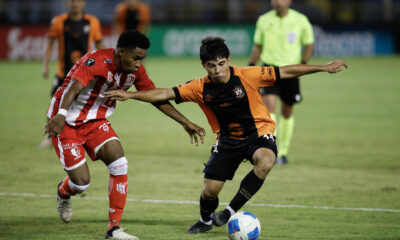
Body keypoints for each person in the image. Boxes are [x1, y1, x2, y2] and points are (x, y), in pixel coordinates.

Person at [104, 37, 348, 234]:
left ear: (228, 60)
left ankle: (230, 212)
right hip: (227, 140)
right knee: (209, 192)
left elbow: (285, 71)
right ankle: (206, 220)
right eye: (211, 65)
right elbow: (165, 92)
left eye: (221, 63)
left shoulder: (247, 75)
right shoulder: (199, 87)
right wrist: (131, 95)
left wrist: (323, 67)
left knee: (266, 161)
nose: (218, 70)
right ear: (204, 66)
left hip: (259, 134)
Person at [43, 30, 205, 240]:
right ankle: (64, 192)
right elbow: (74, 87)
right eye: (136, 58)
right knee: (81, 183)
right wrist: (61, 115)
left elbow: (155, 97)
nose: (139, 64)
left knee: (120, 164)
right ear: (120, 52)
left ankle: (113, 229)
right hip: (66, 122)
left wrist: (185, 122)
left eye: (141, 59)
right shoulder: (97, 61)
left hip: (96, 122)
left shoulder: (135, 72)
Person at [248, 0, 314, 164]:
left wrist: (303, 64)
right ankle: (271, 147)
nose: (278, 2)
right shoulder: (264, 20)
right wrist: (251, 66)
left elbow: (309, 44)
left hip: (291, 70)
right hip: (269, 70)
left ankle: (283, 152)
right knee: (269, 106)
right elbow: (258, 45)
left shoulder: (301, 20)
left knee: (287, 111)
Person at [39, 0, 105, 149]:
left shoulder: (92, 22)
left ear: (84, 3)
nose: (75, 4)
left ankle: (83, 137)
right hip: (63, 72)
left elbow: (100, 45)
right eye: (72, 1)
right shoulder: (58, 22)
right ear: (67, 3)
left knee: (85, 105)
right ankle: (50, 137)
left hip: (86, 74)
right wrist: (45, 66)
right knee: (55, 104)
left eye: (78, 1)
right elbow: (49, 44)